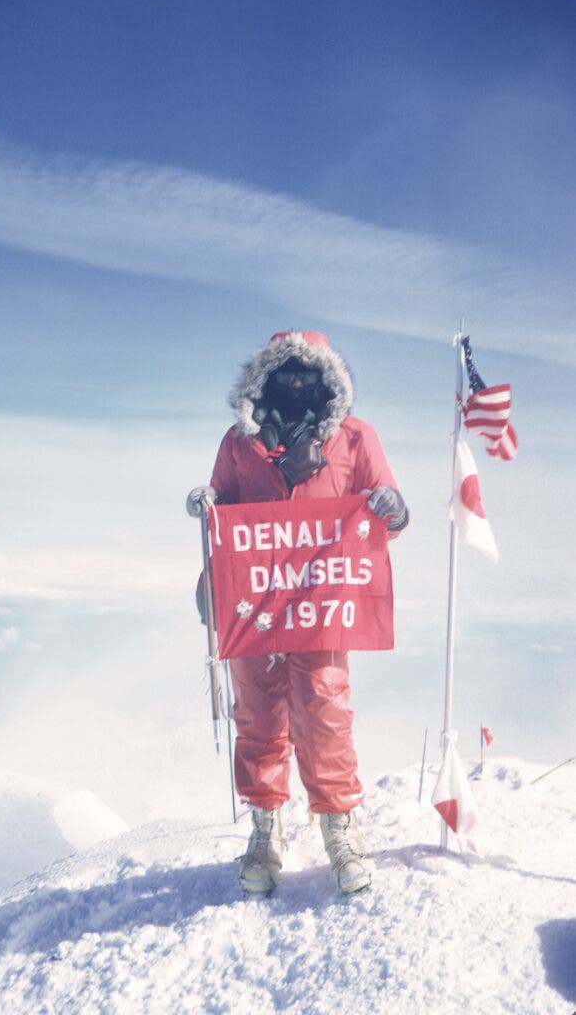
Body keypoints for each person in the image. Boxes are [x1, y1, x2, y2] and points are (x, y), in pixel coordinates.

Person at [186, 331, 408, 896]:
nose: (296, 382)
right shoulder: (240, 442)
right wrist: (207, 503)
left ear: (327, 381)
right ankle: (266, 826)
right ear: (265, 379)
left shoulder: (356, 438)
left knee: (324, 709)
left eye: (307, 373)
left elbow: (385, 508)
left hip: (319, 600)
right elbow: (224, 505)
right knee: (257, 714)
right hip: (255, 599)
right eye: (284, 372)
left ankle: (338, 824)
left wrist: (393, 508)